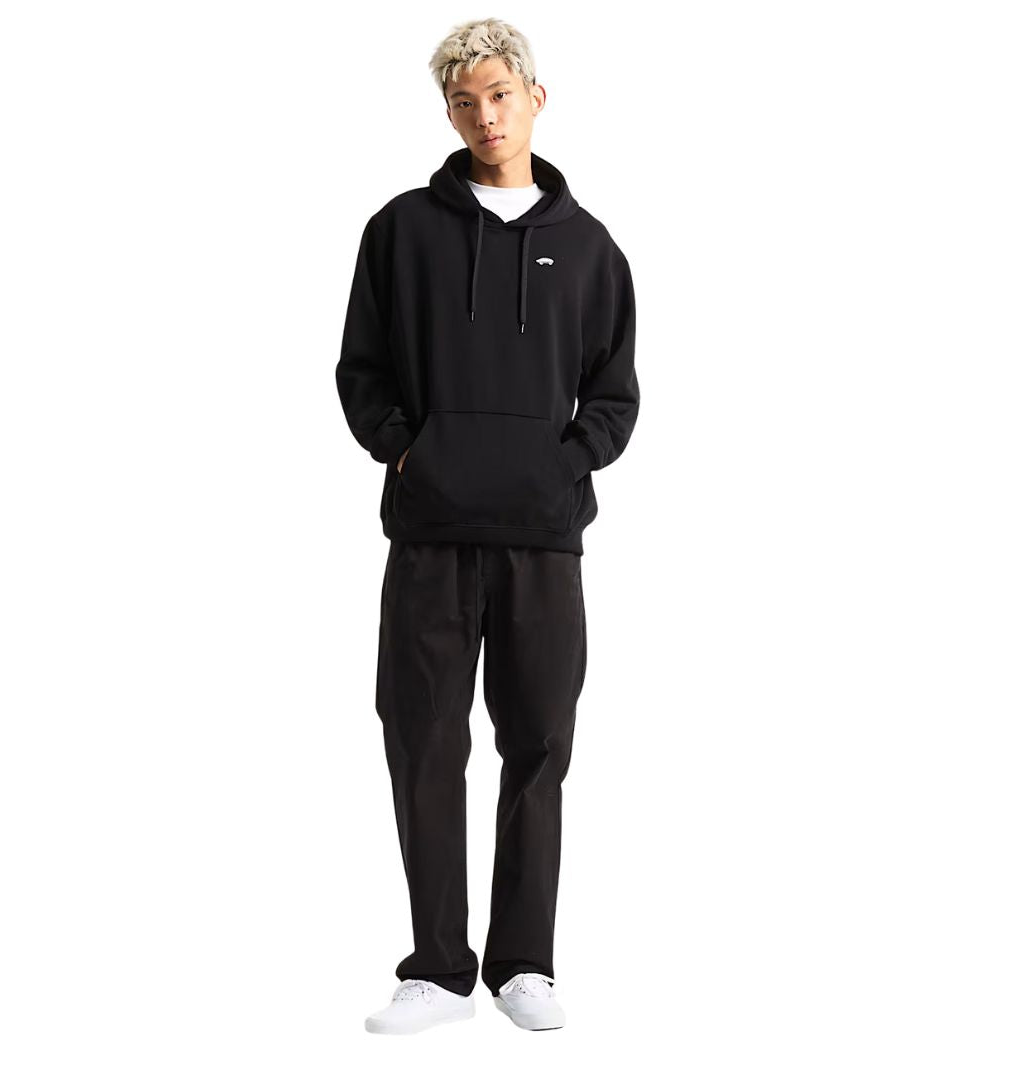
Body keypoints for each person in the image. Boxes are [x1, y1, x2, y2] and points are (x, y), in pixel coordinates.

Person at [335, 18, 640, 1035]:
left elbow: (614, 394)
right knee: (421, 740)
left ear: (535, 98)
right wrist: (405, 448)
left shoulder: (591, 249)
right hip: (430, 532)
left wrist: (566, 462)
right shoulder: (400, 231)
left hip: (543, 539)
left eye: (501, 95)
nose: (485, 116)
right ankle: (435, 970)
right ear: (449, 112)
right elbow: (362, 369)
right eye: (464, 102)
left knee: (539, 746)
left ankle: (523, 966)